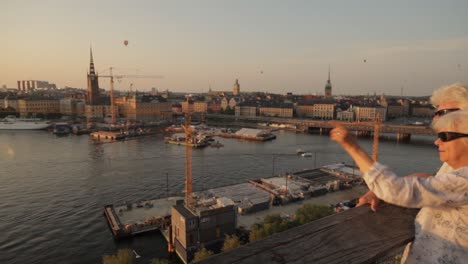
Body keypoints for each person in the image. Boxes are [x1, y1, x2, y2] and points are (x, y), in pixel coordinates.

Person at [330, 110, 468, 263]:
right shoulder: (456, 172)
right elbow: (433, 182)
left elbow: (396, 190)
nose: (436, 142)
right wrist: (377, 192)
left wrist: (352, 147)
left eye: (444, 136)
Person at [358, 83, 468, 211]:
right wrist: (379, 192)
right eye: (436, 112)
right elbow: (435, 180)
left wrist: (352, 147)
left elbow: (400, 192)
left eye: (443, 112)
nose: (436, 117)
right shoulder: (457, 157)